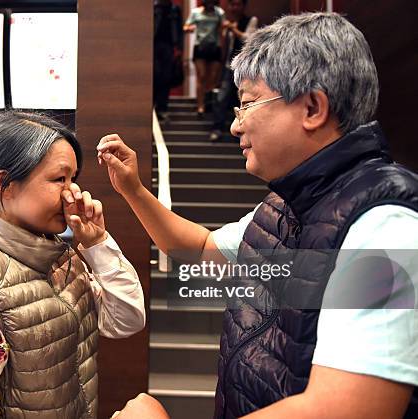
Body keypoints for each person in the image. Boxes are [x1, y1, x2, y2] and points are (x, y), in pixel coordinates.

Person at [98, 12, 418, 419]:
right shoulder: (284, 205)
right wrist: (134, 190)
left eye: (248, 104)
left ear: (313, 108)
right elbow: (198, 248)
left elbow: (347, 409)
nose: (235, 126)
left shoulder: (386, 224)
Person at [0, 111, 146, 418]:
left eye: (72, 179)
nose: (72, 193)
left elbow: (126, 320)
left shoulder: (60, 257)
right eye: (58, 179)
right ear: (6, 185)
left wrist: (97, 244)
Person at [210, 0, 258, 141]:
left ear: (243, 6)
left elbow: (249, 38)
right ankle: (217, 128)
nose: (234, 8)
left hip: (244, 69)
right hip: (228, 66)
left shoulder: (251, 20)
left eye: (238, 4)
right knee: (221, 98)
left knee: (243, 100)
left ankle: (244, 132)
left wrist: (233, 29)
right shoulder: (227, 21)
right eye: (232, 4)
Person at [184, 0, 225, 117]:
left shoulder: (219, 12)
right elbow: (186, 25)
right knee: (201, 76)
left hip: (214, 46)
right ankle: (200, 105)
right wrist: (189, 28)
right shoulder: (196, 12)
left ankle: (208, 101)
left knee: (212, 77)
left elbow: (223, 28)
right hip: (200, 46)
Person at [153, 0, 183, 122]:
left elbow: (179, 30)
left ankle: (162, 108)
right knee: (154, 76)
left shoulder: (174, 9)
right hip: (152, 45)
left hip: (168, 46)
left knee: (165, 78)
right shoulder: (153, 8)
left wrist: (180, 48)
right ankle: (153, 105)